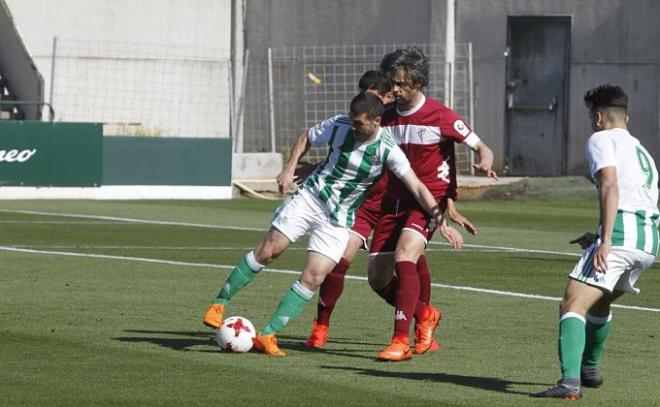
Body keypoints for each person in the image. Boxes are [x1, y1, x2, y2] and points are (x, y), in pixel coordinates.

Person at [202, 92, 462, 356]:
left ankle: (268, 335)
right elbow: (306, 137)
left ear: (376, 122)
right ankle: (219, 303)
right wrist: (289, 168)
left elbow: (417, 187)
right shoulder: (338, 125)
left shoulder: (388, 150)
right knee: (269, 251)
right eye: (352, 120)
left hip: (339, 219)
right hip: (311, 199)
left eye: (359, 123)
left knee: (315, 276)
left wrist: (441, 221)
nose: (353, 127)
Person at [305, 70, 476, 350]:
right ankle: (321, 327)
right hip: (364, 202)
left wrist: (448, 205)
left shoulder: (393, 118)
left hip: (393, 201)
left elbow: (435, 165)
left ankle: (414, 329)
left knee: (410, 257)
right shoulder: (366, 119)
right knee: (343, 261)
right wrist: (313, 168)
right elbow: (343, 155)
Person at [368, 47, 498, 361]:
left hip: (428, 202)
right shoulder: (385, 118)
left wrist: (483, 162)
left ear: (419, 82)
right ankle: (425, 314)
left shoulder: (441, 117)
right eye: (392, 82)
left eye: (401, 83)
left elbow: (483, 148)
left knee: (406, 253)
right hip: (393, 201)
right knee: (377, 279)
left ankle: (400, 340)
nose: (394, 89)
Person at [533, 85, 659, 399]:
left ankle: (569, 383)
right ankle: (589, 369)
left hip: (618, 238)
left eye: (592, 115)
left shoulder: (600, 139)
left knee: (572, 304)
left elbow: (609, 185)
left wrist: (605, 240)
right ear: (626, 117)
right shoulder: (643, 152)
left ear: (599, 116)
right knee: (599, 301)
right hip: (648, 242)